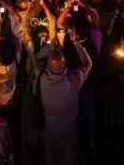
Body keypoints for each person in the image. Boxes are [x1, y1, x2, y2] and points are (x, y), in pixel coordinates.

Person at [38, 34, 93, 165]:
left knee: (51, 158)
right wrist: (76, 43)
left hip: (51, 130)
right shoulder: (74, 81)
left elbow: (37, 59)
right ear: (65, 63)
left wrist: (50, 45)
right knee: (69, 157)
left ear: (48, 66)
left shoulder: (42, 80)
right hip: (69, 129)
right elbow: (88, 64)